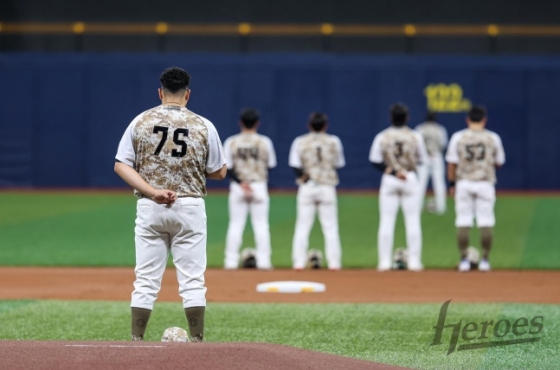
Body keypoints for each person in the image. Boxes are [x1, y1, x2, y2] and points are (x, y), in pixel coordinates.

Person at [114, 67, 227, 342]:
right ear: (187, 93)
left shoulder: (140, 121)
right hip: (189, 207)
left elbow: (121, 165)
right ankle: (198, 339)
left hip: (151, 206)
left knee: (145, 279)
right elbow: (220, 172)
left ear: (160, 92)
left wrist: (153, 192)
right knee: (192, 280)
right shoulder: (203, 124)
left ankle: (136, 338)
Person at [445, 105, 505, 272]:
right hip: (485, 183)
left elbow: (451, 163)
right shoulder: (493, 138)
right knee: (485, 221)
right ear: (484, 120)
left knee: (463, 220)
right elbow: (499, 162)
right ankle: (485, 260)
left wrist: (451, 184)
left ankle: (464, 260)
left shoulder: (459, 137)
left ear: (468, 119)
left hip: (463, 183)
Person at [369, 102, 428, 272]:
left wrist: (393, 170)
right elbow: (422, 159)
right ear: (407, 117)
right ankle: (415, 262)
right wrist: (405, 168)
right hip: (409, 177)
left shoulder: (383, 136)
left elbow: (375, 160)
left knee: (387, 221)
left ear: (391, 118)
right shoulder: (415, 136)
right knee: (413, 220)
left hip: (389, 179)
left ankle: (384, 262)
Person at [289, 112, 345, 271]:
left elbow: (294, 165)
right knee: (331, 228)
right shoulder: (334, 141)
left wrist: (304, 176)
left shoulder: (300, 141)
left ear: (309, 125)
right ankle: (334, 264)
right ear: (325, 126)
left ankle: (298, 263)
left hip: (307, 187)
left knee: (302, 226)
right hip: (327, 187)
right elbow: (338, 164)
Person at [223, 108, 277, 270]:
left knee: (236, 224)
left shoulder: (231, 141)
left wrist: (241, 182)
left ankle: (230, 262)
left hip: (238, 186)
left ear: (241, 123)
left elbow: (227, 168)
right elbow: (271, 164)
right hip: (258, 185)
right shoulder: (264, 142)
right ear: (257, 123)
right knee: (261, 225)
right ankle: (264, 261)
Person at [415, 112, 448, 214]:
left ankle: (417, 207)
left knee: (420, 183)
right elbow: (443, 144)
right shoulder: (440, 129)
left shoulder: (420, 129)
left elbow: (416, 145)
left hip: (423, 158)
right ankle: (441, 207)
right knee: (439, 183)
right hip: (436, 156)